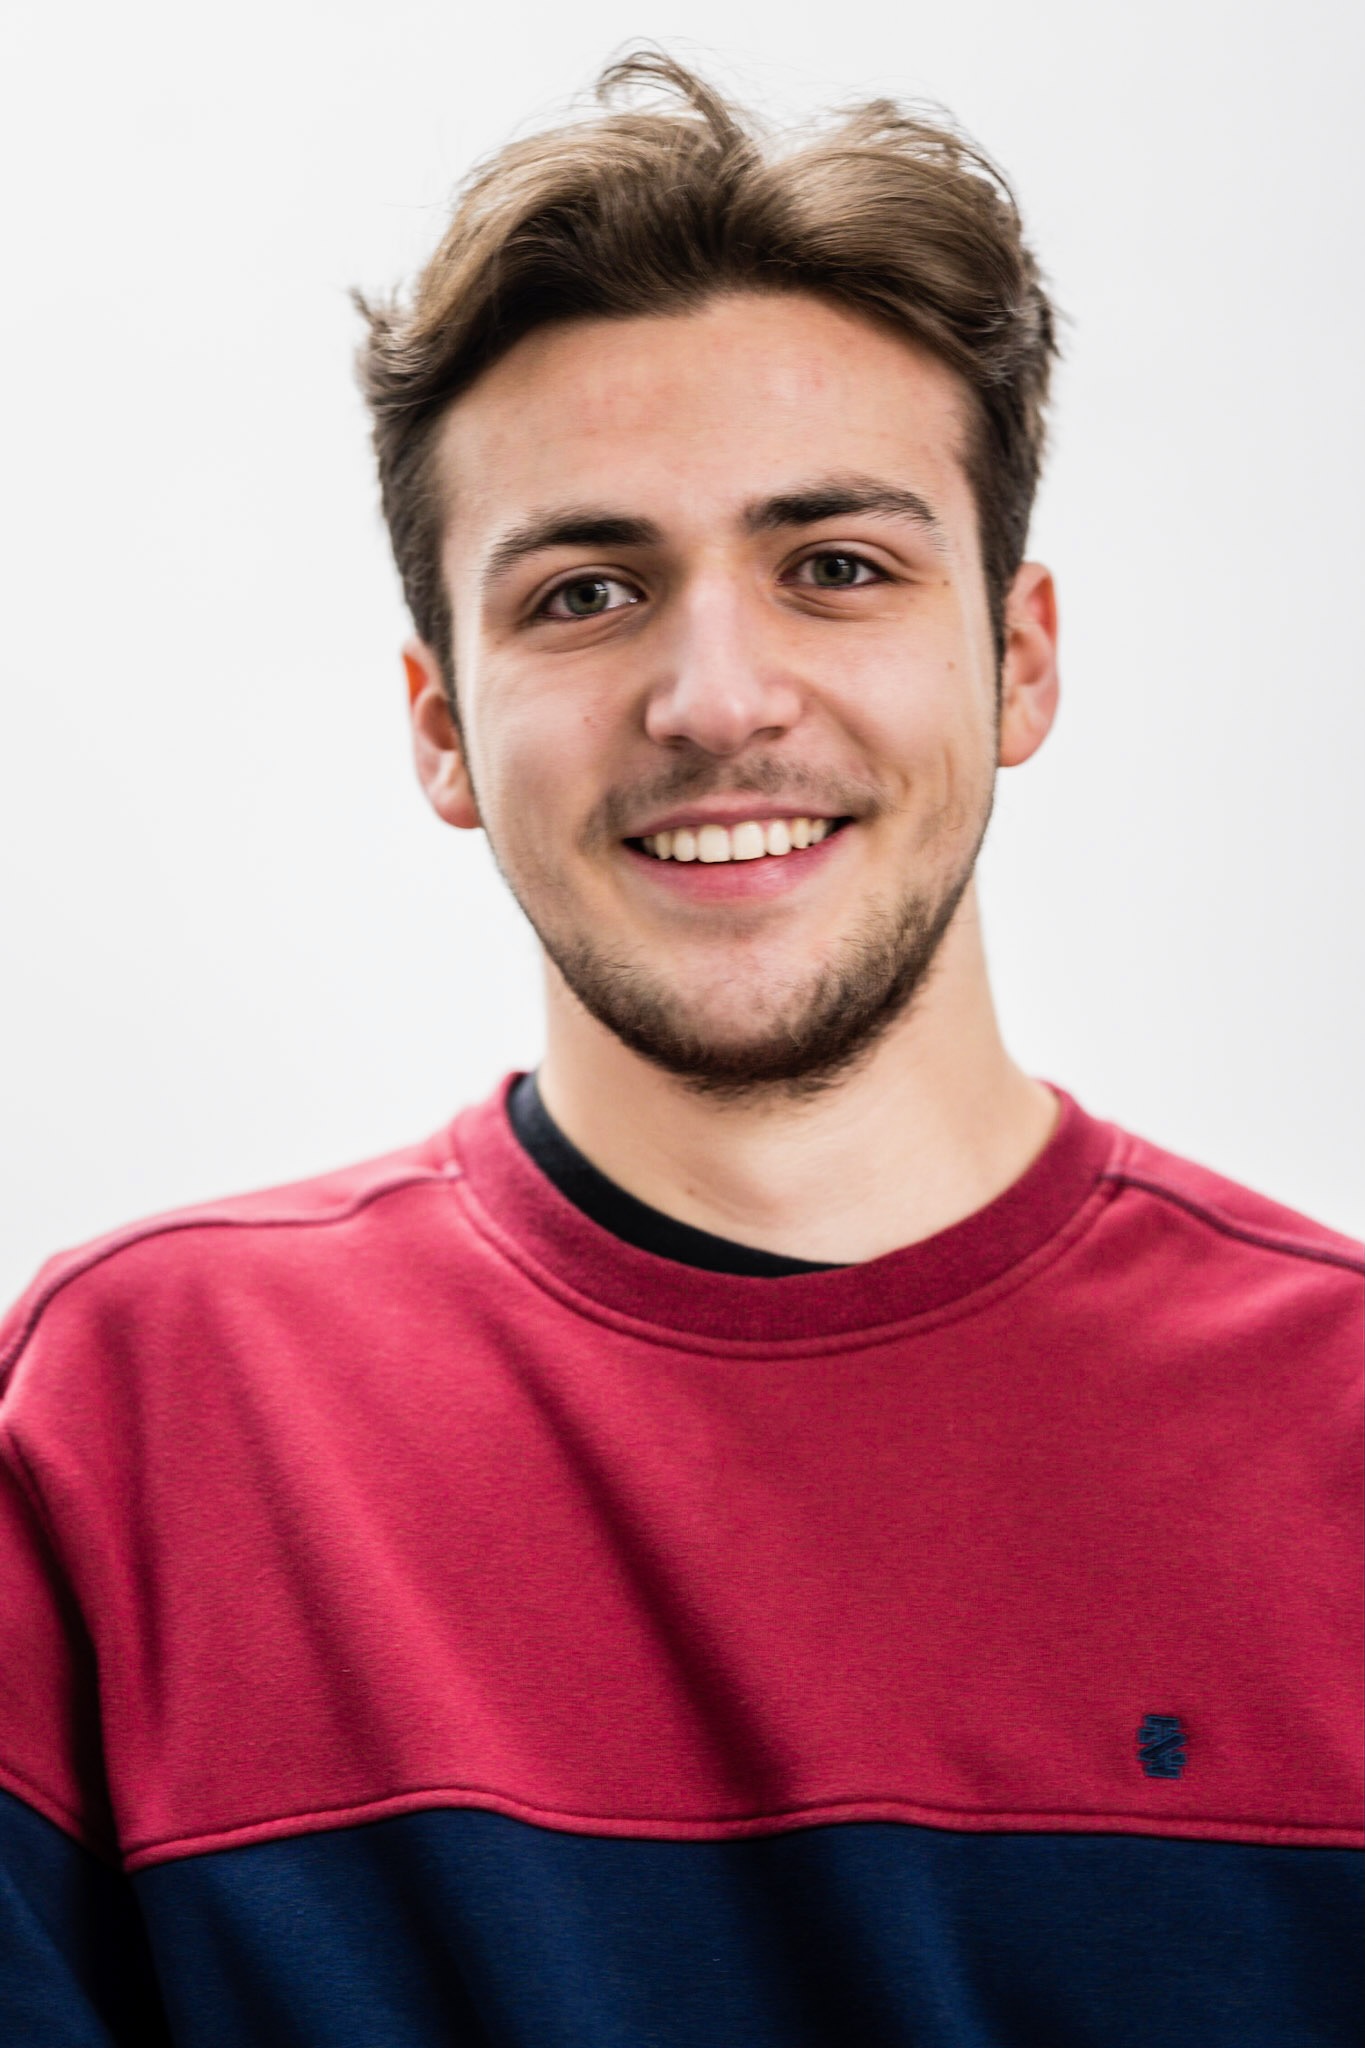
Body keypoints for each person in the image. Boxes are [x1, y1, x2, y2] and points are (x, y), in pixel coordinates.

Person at [1, 48, 1359, 2047]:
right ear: (440, 726)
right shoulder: (136, 1419)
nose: (714, 699)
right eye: (586, 591)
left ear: (1016, 659)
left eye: (836, 568)